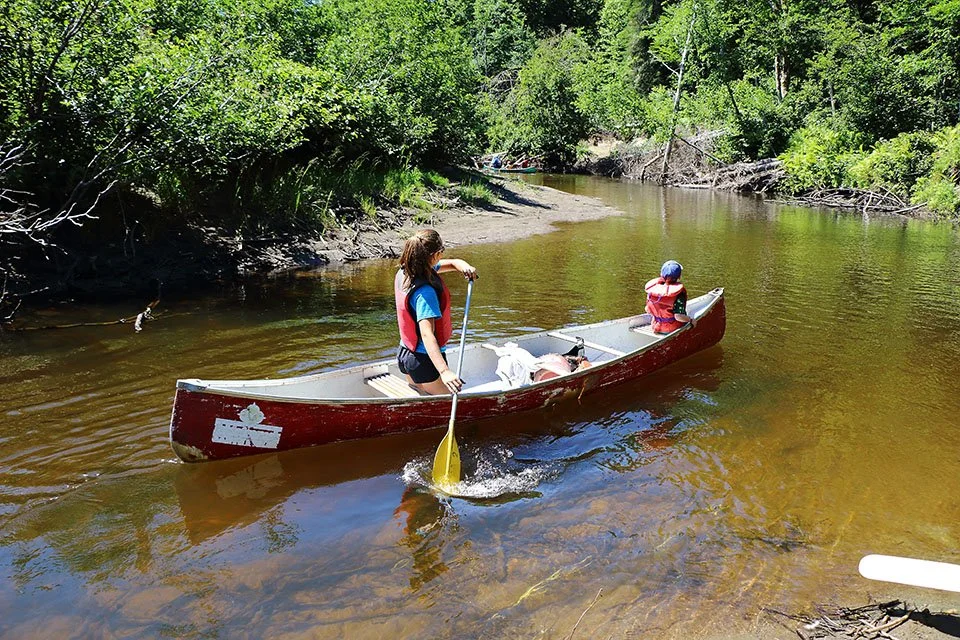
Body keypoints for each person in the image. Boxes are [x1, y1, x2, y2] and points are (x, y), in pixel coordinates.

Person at [395, 229, 478, 395]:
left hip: (405, 354)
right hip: (424, 361)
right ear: (435, 255)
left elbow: (452, 263)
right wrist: (444, 371)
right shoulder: (426, 293)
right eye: (442, 252)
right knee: (447, 403)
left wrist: (463, 266)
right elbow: (427, 335)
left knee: (421, 397)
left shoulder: (406, 272)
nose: (442, 255)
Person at [645, 260, 694, 334]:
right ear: (679, 277)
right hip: (672, 328)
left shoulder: (653, 291)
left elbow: (647, 310)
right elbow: (678, 316)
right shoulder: (679, 294)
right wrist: (691, 320)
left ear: (661, 275)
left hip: (655, 326)